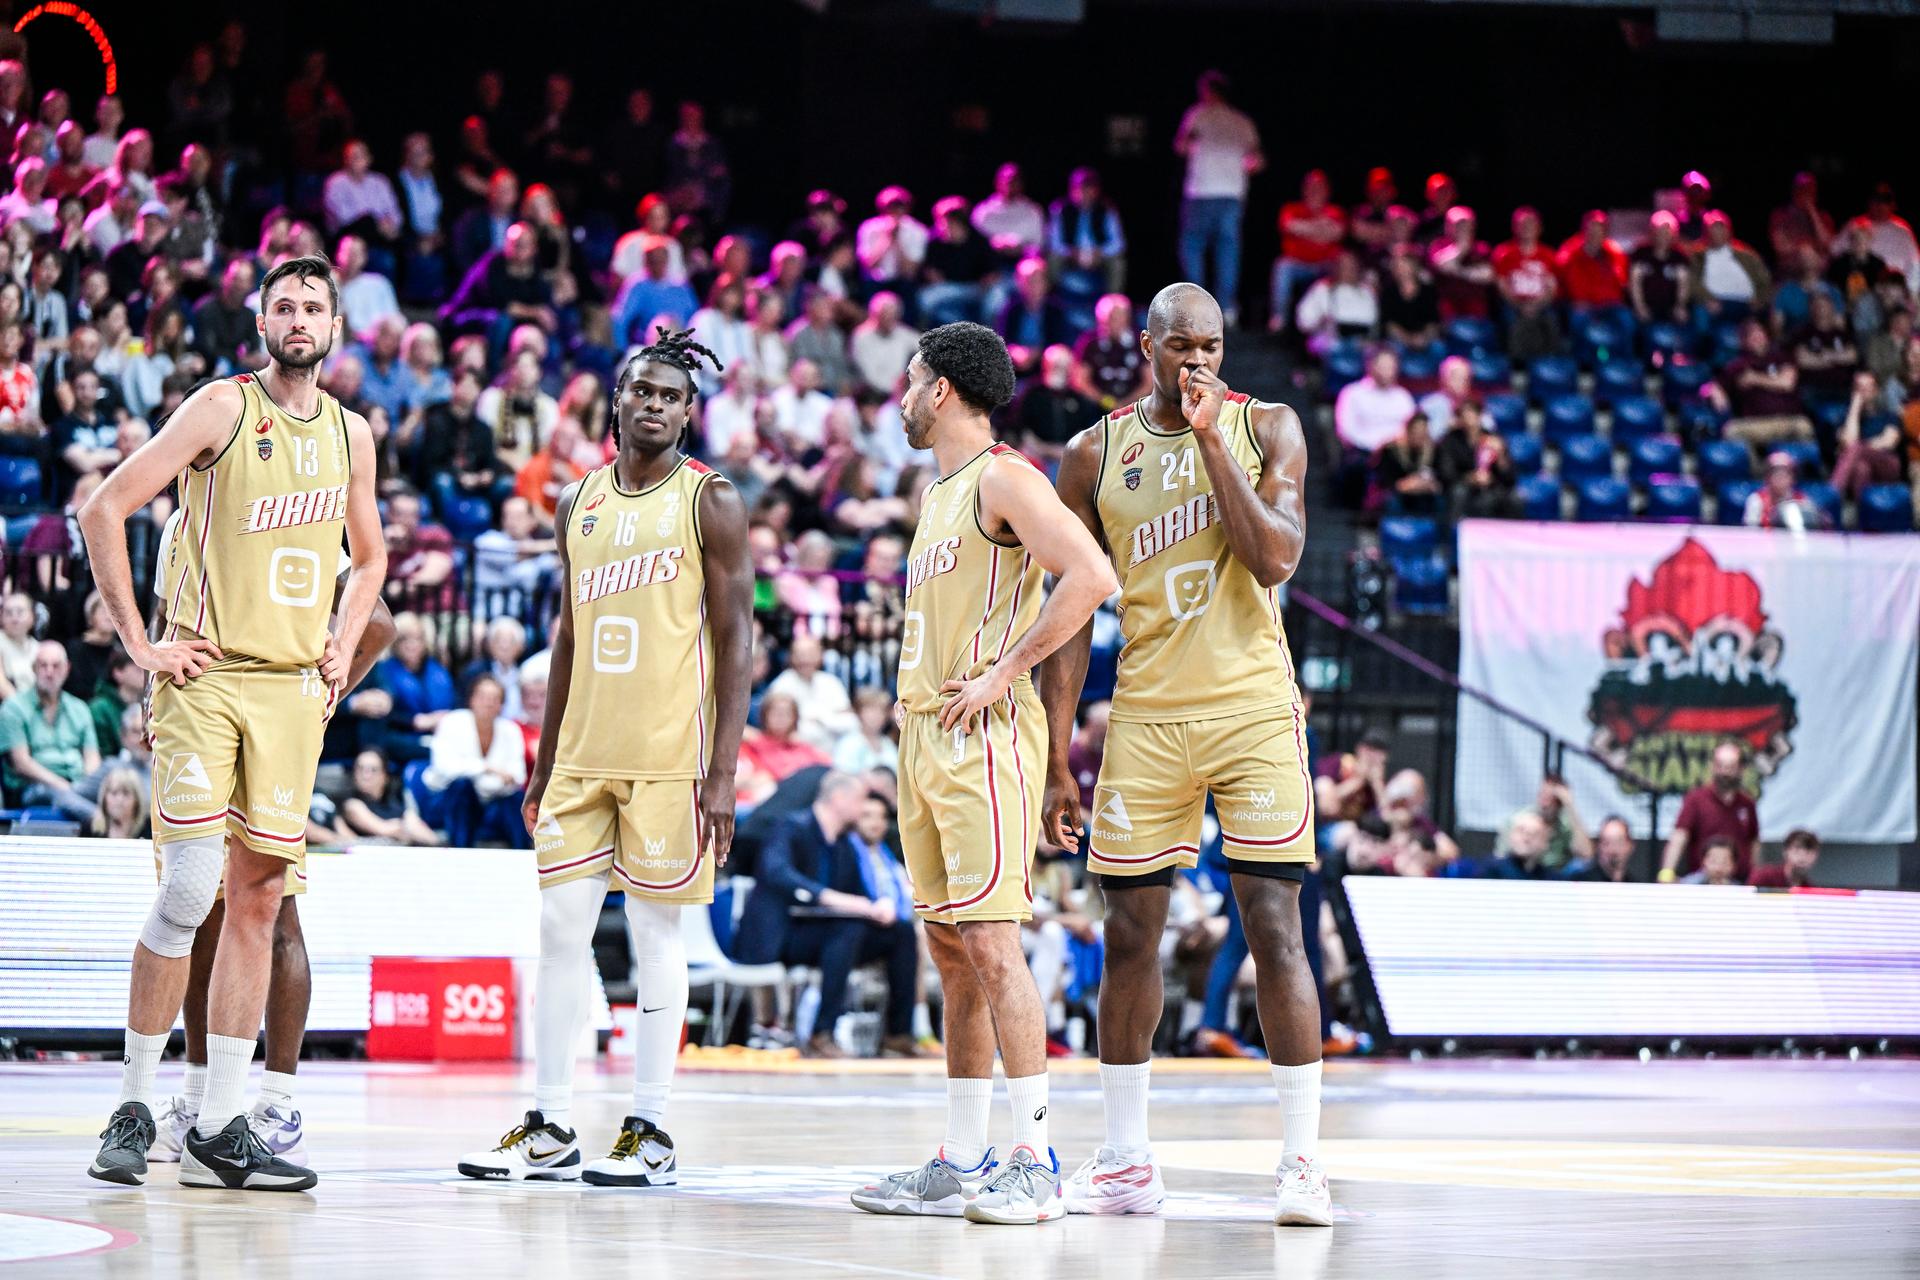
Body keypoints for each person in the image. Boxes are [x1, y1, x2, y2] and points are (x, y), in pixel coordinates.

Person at [79, 252, 385, 1191]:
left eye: (312, 306)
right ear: (262, 322)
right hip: (206, 677)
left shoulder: (351, 434)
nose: (298, 318)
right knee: (192, 889)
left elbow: (370, 559)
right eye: (283, 305)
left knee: (259, 901)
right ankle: (134, 1101)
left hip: (293, 692)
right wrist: (140, 643)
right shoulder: (222, 406)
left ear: (334, 327)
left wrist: (342, 645)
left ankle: (218, 1124)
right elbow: (103, 507)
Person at [1037, 281, 1332, 1228]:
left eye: (1212, 346)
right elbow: (1075, 614)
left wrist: (1211, 441)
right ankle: (1125, 1162)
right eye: (1182, 347)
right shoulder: (1094, 453)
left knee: (1272, 924)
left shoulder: (1268, 426)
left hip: (1251, 708)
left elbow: (1276, 557)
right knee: (1128, 936)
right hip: (1148, 717)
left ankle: (1300, 1163)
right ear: (1147, 347)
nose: (1199, 362)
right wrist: (1053, 754)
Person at [458, 327, 752, 1190]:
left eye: (672, 396)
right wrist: (543, 758)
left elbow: (736, 637)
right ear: (616, 402)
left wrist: (725, 770)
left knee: (658, 937)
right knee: (558, 933)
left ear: (689, 413)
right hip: (583, 751)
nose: (656, 404)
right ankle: (549, 1125)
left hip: (672, 757)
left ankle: (651, 1128)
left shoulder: (712, 501)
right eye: (643, 392)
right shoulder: (577, 500)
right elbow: (568, 631)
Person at [850, 322, 1114, 1226]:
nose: (900, 396)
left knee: (994, 946)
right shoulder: (938, 495)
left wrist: (1008, 671)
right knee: (951, 955)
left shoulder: (1006, 477)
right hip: (925, 736)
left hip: (986, 736)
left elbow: (1091, 576)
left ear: (944, 391)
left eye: (910, 380)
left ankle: (1036, 1162)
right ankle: (963, 1158)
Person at [147, 510, 395, 1168]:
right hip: (199, 724)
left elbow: (378, 621)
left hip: (270, 723)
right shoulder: (179, 522)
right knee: (201, 909)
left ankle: (279, 1103)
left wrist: (332, 687)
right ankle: (201, 1099)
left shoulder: (288, 505)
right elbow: (163, 625)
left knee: (275, 911)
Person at [736, 772, 926, 1058]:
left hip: (826, 934)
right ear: (839, 799)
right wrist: (838, 900)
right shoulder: (790, 827)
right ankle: (821, 1033)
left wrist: (877, 908)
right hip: (782, 935)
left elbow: (858, 894)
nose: (863, 810)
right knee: (846, 930)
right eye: (860, 801)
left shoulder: (842, 843)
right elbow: (779, 874)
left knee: (900, 933)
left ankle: (898, 1034)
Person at [1174, 72, 1263, 325]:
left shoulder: (1197, 114)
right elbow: (1256, 162)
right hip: (1231, 195)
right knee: (1228, 252)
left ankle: (1197, 309)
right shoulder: (1242, 121)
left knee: (1192, 247)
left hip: (1201, 194)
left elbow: (1180, 147)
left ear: (1207, 92)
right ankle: (1226, 309)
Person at [417, 673, 528, 848]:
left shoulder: (510, 730)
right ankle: (461, 851)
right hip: (445, 799)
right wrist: (488, 769)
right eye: (483, 697)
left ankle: (524, 856)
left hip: (492, 801)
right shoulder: (452, 722)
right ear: (471, 699)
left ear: (501, 704)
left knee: (516, 799)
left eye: (495, 698)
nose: (488, 703)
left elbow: (517, 777)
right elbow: (444, 768)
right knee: (463, 786)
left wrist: (478, 776)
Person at [0, 640, 99, 808]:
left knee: (118, 776)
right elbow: (21, 763)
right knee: (55, 794)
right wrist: (65, 787)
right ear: (33, 669)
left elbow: (92, 759)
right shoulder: (14, 708)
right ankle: (97, 821)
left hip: (77, 786)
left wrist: (86, 785)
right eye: (43, 666)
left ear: (67, 669)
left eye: (56, 666)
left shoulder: (79, 708)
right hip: (34, 787)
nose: (49, 672)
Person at [1658, 739, 1760, 884]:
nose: (1725, 772)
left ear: (1741, 769)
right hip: (1702, 882)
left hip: (1738, 882)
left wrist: (1754, 876)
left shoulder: (1747, 803)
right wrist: (1667, 872)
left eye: (1730, 767)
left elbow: (1754, 843)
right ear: (1713, 767)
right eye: (1720, 766)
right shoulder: (1696, 799)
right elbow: (1679, 836)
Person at [1271, 170, 1346, 333]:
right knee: (1282, 266)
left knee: (1342, 263)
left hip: (1325, 265)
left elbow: (1336, 233)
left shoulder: (1335, 212)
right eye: (1311, 187)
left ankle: (1335, 322)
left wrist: (1305, 229)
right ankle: (1279, 319)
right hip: (1298, 265)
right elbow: (1289, 226)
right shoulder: (1291, 209)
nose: (1315, 191)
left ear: (1327, 191)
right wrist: (1319, 229)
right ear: (1304, 189)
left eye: (1319, 187)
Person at [1565, 815, 1638, 883]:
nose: (1613, 850)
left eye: (1619, 842)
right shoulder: (1581, 883)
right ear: (1598, 846)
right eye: (1607, 843)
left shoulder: (1637, 887)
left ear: (1630, 845)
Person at [1751, 828, 1820, 889]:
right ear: (1785, 851)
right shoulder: (1764, 877)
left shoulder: (1809, 889)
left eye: (1808, 850)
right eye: (1797, 848)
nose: (1803, 855)